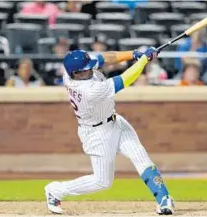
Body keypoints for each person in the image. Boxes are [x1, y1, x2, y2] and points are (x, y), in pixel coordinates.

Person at [44, 48, 175, 215]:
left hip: (115, 121)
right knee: (103, 182)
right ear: (75, 73)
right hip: (97, 134)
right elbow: (125, 80)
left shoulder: (75, 71)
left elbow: (106, 58)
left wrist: (133, 54)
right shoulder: (89, 90)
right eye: (85, 70)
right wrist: (143, 61)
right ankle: (55, 190)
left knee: (140, 156)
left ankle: (164, 199)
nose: (91, 70)